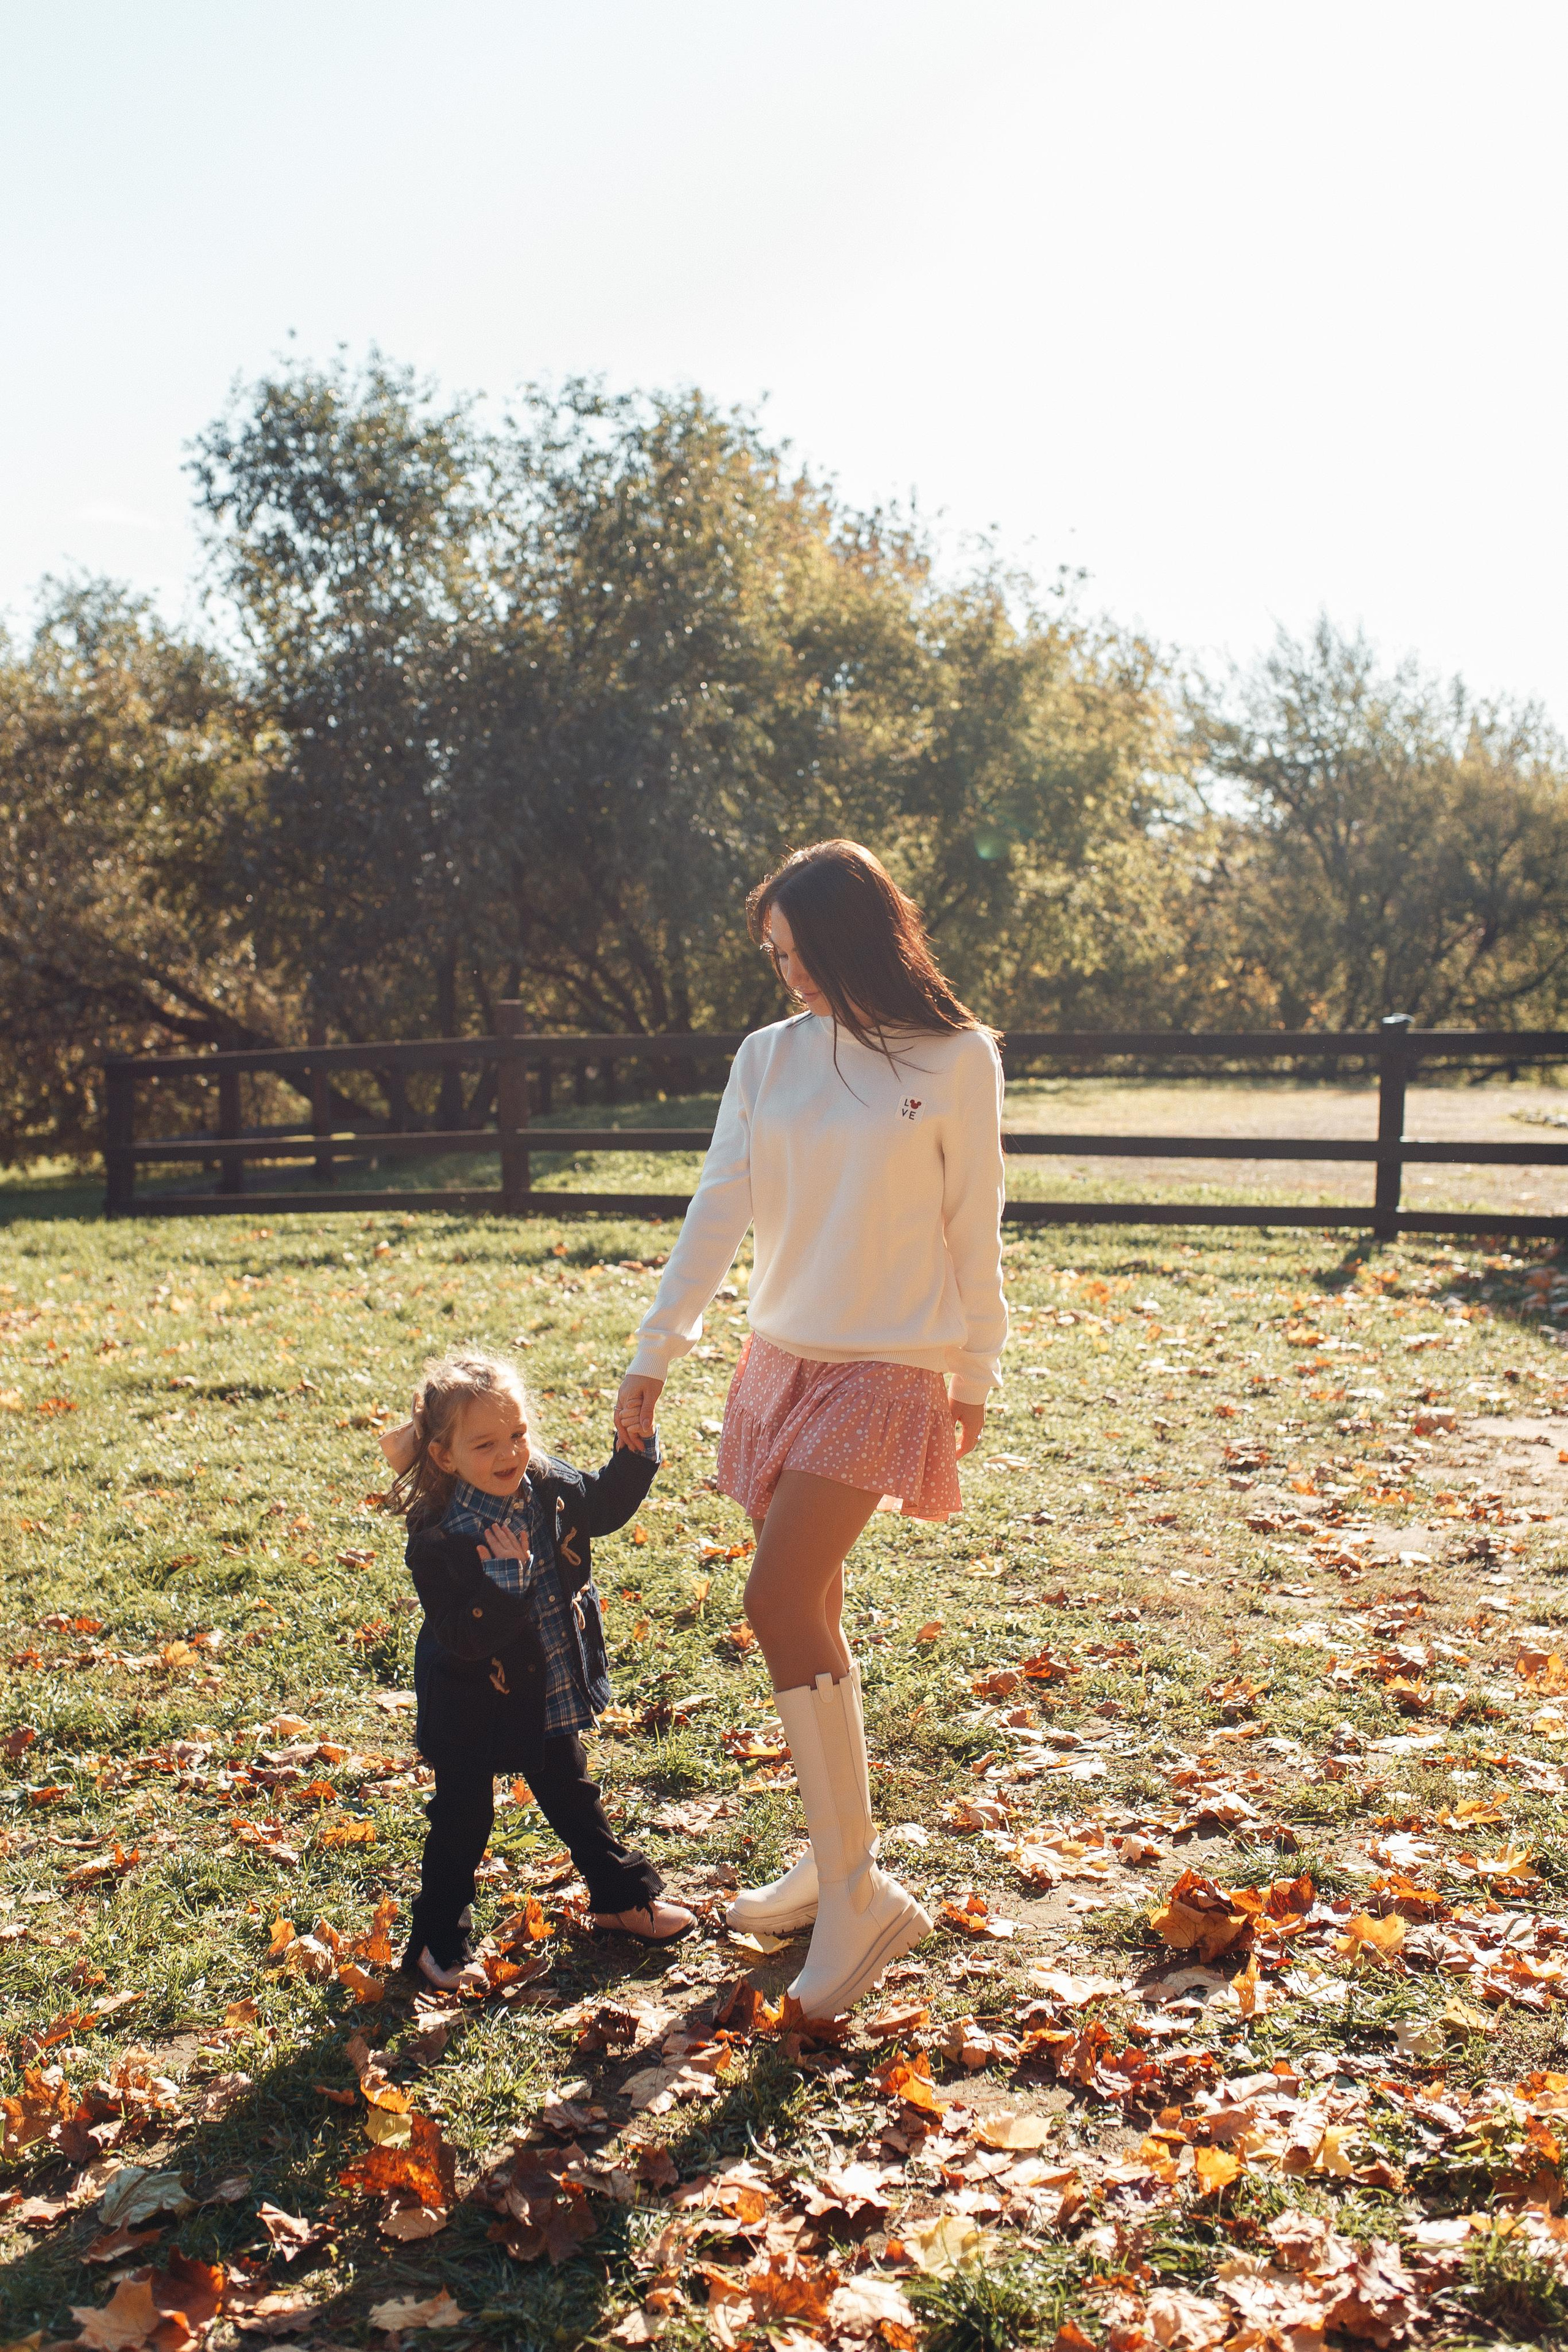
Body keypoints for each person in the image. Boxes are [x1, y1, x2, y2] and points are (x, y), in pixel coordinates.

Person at [615, 840, 1006, 2018]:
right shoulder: (768, 1058)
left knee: (776, 1601)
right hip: (778, 1360)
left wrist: (976, 1367)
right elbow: (719, 1202)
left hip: (887, 1364)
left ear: (850, 940)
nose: (786, 977)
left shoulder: (956, 1058)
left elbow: (974, 1221)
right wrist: (657, 1347)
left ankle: (856, 1894)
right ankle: (844, 1862)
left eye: (796, 954)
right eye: (773, 957)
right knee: (812, 1611)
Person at [380, 1351, 694, 1990]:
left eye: (518, 1434)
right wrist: (501, 1584)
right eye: (485, 1444)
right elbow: (461, 1637)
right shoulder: (439, 1535)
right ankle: (437, 1941)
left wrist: (634, 1454)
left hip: (545, 1684)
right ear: (445, 1456)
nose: (510, 1454)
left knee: (574, 1795)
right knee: (463, 1821)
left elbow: (601, 1507)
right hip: (471, 1704)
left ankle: (618, 1899)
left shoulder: (546, 1483)